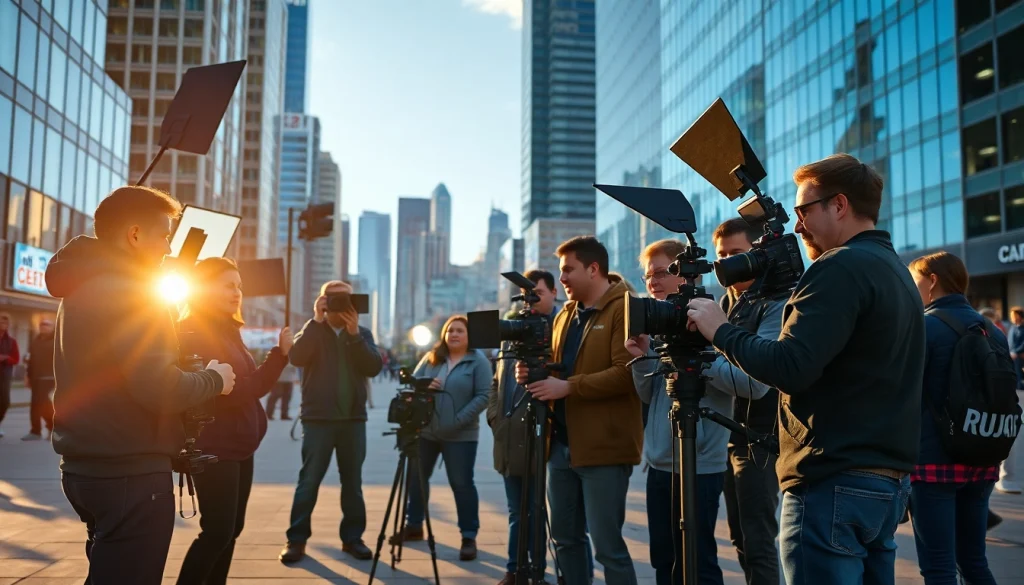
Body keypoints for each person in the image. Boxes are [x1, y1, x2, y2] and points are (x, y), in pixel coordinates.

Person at [686, 154, 925, 585]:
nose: (797, 227)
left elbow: (790, 365)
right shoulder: (896, 271)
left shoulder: (839, 267)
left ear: (839, 205)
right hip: (885, 483)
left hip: (832, 481)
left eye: (803, 211)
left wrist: (719, 330)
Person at [45, 185, 236, 584]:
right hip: (129, 472)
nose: (168, 247)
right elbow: (159, 386)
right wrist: (214, 379)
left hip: (86, 470)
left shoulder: (83, 284)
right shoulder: (133, 291)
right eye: (164, 234)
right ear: (134, 235)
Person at [627, 233, 783, 585]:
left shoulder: (717, 318)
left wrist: (703, 350)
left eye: (660, 272)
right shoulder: (657, 326)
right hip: (659, 461)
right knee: (663, 559)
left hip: (700, 460)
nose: (652, 281)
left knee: (699, 560)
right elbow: (651, 397)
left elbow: (752, 385)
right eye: (647, 275)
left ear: (686, 275)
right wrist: (640, 360)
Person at [516, 236, 642, 585]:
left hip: (605, 447)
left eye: (568, 270)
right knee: (566, 540)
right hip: (561, 446)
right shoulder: (565, 315)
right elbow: (559, 367)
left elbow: (628, 373)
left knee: (608, 548)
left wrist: (569, 386)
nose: (563, 280)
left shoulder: (626, 308)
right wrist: (532, 372)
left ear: (593, 268)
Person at [175, 258, 291, 585]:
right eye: (228, 285)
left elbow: (246, 384)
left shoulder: (227, 329)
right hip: (216, 446)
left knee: (231, 531)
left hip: (240, 446)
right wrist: (279, 356)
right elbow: (239, 390)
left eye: (239, 286)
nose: (237, 292)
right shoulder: (198, 332)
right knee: (216, 532)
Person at [906, 251, 1000, 585]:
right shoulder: (992, 330)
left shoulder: (925, 326)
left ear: (932, 281)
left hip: (934, 462)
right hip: (984, 455)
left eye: (915, 280)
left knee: (939, 567)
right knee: (974, 560)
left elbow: (905, 393)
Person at [280, 280, 383, 563]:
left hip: (353, 420)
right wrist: (315, 320)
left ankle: (352, 538)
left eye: (346, 300)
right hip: (318, 420)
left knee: (353, 483)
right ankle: (296, 540)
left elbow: (373, 367)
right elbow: (297, 357)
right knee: (309, 480)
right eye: (334, 300)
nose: (341, 306)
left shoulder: (362, 333)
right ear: (322, 302)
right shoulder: (313, 330)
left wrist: (353, 335)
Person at [392, 315, 491, 561]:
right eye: (450, 331)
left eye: (459, 331)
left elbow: (484, 396)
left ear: (469, 336)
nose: (454, 335)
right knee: (416, 478)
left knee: (462, 484)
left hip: (461, 435)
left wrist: (458, 420)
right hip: (426, 432)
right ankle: (414, 525)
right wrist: (425, 386)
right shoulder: (432, 358)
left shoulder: (477, 361)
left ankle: (468, 536)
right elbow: (413, 385)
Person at [22, 319, 55, 441]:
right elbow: (30, 359)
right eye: (42, 325)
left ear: (52, 327)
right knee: (35, 405)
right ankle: (35, 431)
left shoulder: (56, 341)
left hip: (50, 379)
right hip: (36, 378)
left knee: (46, 405)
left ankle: (52, 427)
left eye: (47, 325)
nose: (43, 327)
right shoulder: (35, 341)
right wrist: (27, 376)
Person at [0, 312, 21, 438]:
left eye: (5, 322)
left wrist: (5, 358)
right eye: (1, 321)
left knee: (4, 401)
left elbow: (16, 359)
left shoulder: (12, 342)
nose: (3, 324)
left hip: (5, 375)